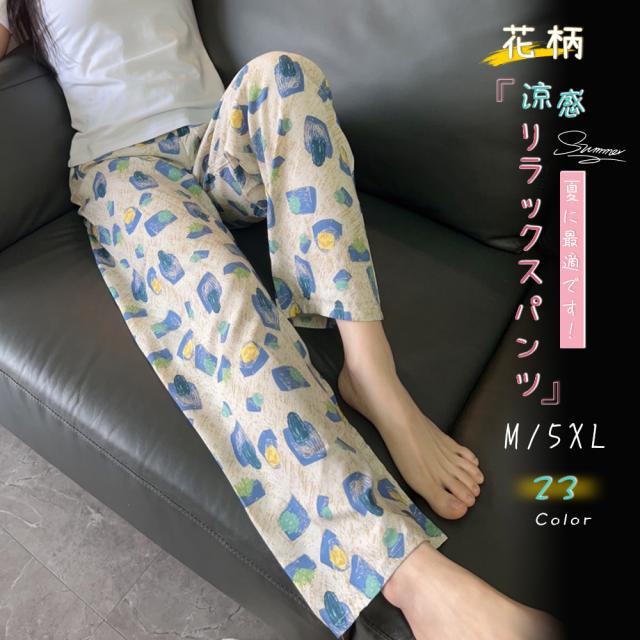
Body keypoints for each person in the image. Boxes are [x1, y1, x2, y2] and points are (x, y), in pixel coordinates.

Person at [0, 2, 563, 638]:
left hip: (217, 139)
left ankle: (372, 374)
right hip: (127, 170)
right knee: (231, 316)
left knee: (286, 73)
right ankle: (411, 575)